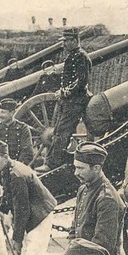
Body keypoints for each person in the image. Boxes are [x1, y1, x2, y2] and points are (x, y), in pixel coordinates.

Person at [0, 140, 57, 255]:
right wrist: (1, 210)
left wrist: (17, 239)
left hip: (40, 215)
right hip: (31, 212)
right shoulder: (6, 169)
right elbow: (9, 193)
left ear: (5, 157)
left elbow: (22, 209)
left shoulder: (16, 175)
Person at [39, 28, 92, 171]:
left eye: (66, 41)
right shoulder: (73, 56)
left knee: (62, 131)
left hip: (76, 101)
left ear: (75, 41)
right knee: (57, 131)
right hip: (69, 100)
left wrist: (64, 92)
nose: (64, 45)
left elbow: (81, 82)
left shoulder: (81, 57)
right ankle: (51, 161)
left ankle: (53, 164)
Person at [0, 98, 35, 164]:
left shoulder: (23, 128)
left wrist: (17, 166)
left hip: (18, 165)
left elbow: (27, 151)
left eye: (3, 112)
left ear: (12, 113)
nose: (0, 115)